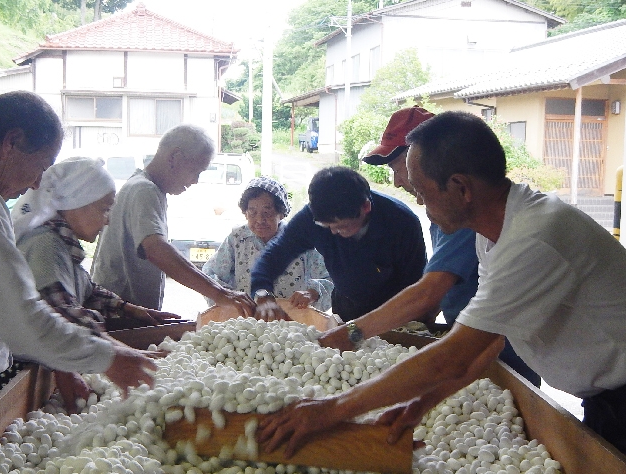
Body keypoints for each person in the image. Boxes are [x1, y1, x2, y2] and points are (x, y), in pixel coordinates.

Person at [258, 111, 626, 456]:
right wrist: (420, 403)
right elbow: (494, 339)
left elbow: (453, 355)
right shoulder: (494, 232)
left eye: (421, 188)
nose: (417, 199)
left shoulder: (531, 240)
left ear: (460, 188)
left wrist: (331, 410)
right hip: (606, 396)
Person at [0, 91, 156, 447]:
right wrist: (108, 357)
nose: (38, 183)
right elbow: (18, 318)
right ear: (13, 141)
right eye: (42, 165)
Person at [318, 107, 540, 387]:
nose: (399, 181)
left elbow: (430, 292)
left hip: (510, 358)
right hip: (484, 344)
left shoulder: (470, 216)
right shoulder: (450, 214)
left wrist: (353, 333)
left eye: (401, 168)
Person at [11, 157, 179, 412]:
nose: (108, 219)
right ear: (74, 203)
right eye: (104, 209)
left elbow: (86, 289)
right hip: (20, 381)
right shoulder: (45, 245)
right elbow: (62, 313)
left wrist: (128, 309)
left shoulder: (62, 245)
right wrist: (121, 356)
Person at [91, 124, 255, 316]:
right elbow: (156, 249)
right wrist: (219, 293)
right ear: (175, 158)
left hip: (124, 312)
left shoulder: (144, 186)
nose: (195, 181)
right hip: (117, 316)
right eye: (196, 171)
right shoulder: (144, 190)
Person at [251, 166, 427, 322]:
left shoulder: (401, 223)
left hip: (395, 313)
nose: (334, 233)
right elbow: (275, 254)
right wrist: (263, 293)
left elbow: (417, 289)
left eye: (342, 227)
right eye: (328, 227)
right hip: (346, 307)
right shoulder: (312, 217)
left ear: (365, 208)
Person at [202, 177, 333, 311]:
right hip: (246, 320)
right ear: (245, 213)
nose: (260, 220)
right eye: (252, 212)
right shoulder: (237, 238)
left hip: (293, 320)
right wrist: (227, 297)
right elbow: (210, 273)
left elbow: (332, 280)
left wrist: (312, 293)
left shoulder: (299, 239)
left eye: (267, 212)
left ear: (281, 213)